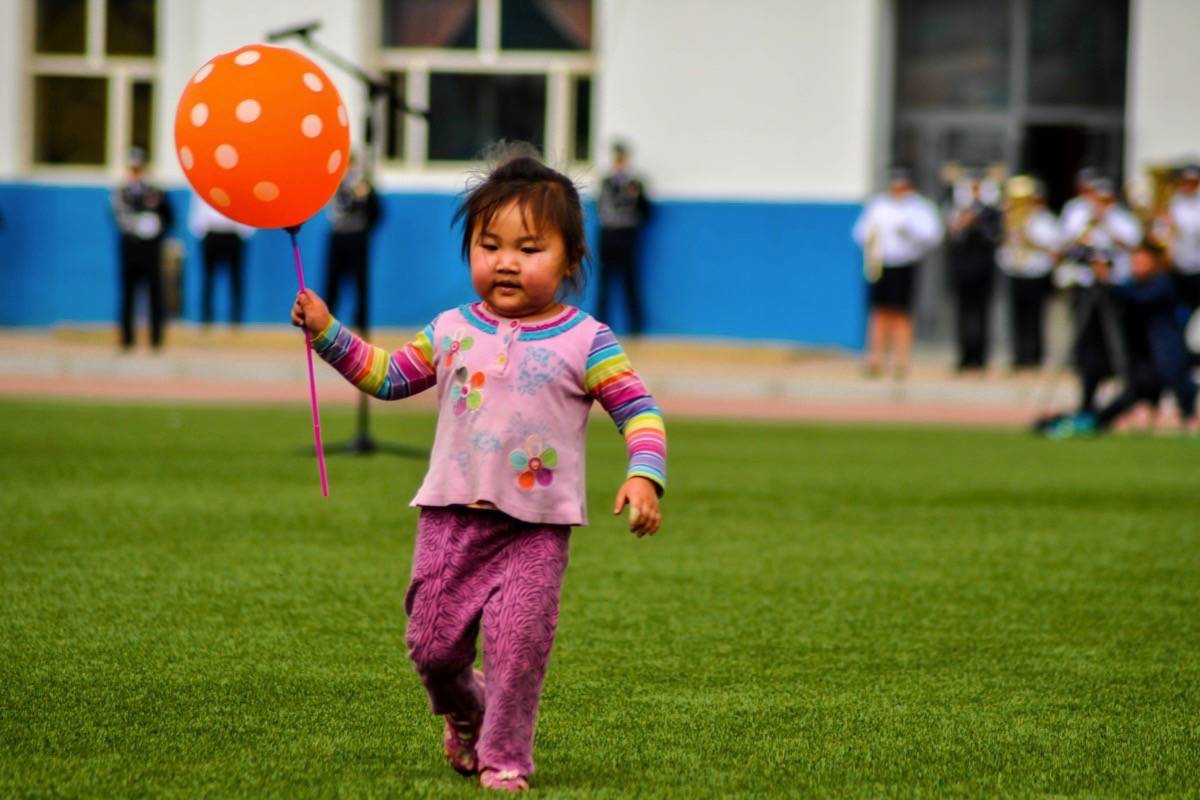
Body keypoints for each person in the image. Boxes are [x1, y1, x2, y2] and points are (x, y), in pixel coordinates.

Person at [290, 144, 667, 793]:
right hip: (449, 522)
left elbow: (639, 410)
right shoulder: (451, 329)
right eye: (489, 245)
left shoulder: (587, 338)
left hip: (536, 533)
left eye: (529, 248)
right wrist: (329, 332)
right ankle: (465, 710)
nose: (506, 262)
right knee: (432, 649)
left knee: (518, 651)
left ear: (572, 260)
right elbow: (386, 377)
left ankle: (506, 756)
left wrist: (643, 474)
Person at [1041, 239, 1196, 437]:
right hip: (1134, 353)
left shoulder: (1163, 284)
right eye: (1135, 262)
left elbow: (1139, 298)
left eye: (1142, 262)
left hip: (1159, 357)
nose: (1137, 266)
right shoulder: (1130, 284)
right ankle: (1088, 413)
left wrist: (1109, 282)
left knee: (1142, 386)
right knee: (1092, 364)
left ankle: (1099, 420)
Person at [1058, 177, 1142, 416]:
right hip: (1085, 284)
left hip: (1114, 286)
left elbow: (1133, 247)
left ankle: (1119, 400)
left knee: (1114, 344)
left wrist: (1108, 228)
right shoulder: (1078, 215)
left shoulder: (1123, 220)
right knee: (1086, 345)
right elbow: (1066, 246)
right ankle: (1087, 398)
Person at [852, 166, 943, 378]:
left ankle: (901, 360)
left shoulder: (920, 207)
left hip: (905, 263)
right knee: (879, 311)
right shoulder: (879, 205)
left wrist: (910, 232)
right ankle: (875, 358)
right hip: (881, 263)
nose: (898, 189)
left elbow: (933, 235)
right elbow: (860, 232)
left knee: (901, 313)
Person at [111, 146, 174, 350]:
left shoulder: (155, 191)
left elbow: (169, 217)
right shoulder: (121, 191)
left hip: (151, 248)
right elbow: (117, 216)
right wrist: (137, 225)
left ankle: (156, 339)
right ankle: (127, 339)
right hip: (130, 247)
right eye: (133, 168)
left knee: (155, 293)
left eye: (139, 168)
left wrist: (156, 229)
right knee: (128, 293)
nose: (136, 172)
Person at [945, 168, 1003, 372]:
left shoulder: (991, 211)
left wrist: (978, 223)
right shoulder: (958, 209)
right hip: (962, 267)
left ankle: (980, 356)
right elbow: (952, 237)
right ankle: (964, 355)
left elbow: (995, 236)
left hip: (984, 267)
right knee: (963, 312)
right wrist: (963, 222)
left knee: (983, 312)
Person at [998, 179, 1060, 369]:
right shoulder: (1011, 219)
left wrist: (1029, 239)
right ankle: (1019, 355)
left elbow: (1053, 248)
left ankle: (1035, 355)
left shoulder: (1045, 219)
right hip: (1016, 271)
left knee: (1035, 316)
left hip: (1036, 272)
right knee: (1017, 316)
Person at [596, 140, 650, 335]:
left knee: (630, 283)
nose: (619, 164)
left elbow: (645, 212)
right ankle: (600, 325)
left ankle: (635, 327)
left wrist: (636, 197)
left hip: (628, 237)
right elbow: (603, 208)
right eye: (616, 159)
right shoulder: (606, 183)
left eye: (622, 159)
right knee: (605, 284)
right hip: (609, 237)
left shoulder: (636, 184)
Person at [324, 153, 381, 333]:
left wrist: (366, 196)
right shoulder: (335, 185)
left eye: (352, 165)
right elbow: (336, 208)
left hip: (358, 239)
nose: (349, 170)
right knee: (332, 284)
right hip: (339, 238)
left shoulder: (364, 186)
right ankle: (326, 326)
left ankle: (362, 326)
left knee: (361, 284)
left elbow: (377, 213)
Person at [188, 192, 253, 327]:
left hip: (234, 234)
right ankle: (206, 319)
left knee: (236, 279)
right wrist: (202, 231)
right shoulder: (204, 185)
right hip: (212, 233)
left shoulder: (240, 185)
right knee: (208, 278)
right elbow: (197, 211)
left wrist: (244, 231)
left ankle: (236, 319)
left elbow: (248, 207)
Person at [1166, 164, 1200, 312]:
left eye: (1193, 182)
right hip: (1174, 265)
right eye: (1185, 181)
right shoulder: (1171, 202)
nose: (1188, 185)